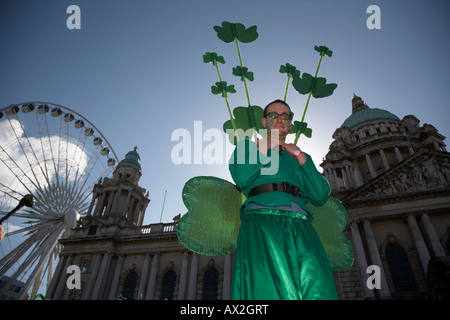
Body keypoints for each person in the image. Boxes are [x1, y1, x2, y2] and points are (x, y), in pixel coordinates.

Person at [229, 99, 338, 300]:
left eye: (285, 116)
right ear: (264, 121)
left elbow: (321, 193)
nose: (279, 119)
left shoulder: (300, 157)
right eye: (273, 115)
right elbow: (242, 177)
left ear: (290, 124)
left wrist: (300, 156)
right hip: (262, 220)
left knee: (317, 286)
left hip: (301, 223)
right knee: (269, 289)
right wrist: (265, 147)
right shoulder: (248, 146)